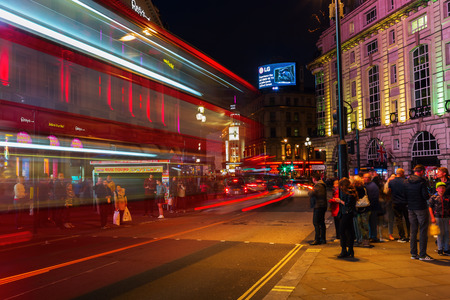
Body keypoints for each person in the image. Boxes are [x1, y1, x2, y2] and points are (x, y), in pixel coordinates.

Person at [404, 165, 433, 261]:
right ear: (421, 171)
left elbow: (404, 194)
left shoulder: (407, 181)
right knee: (423, 230)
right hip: (420, 207)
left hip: (411, 207)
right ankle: (422, 254)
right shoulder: (422, 182)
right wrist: (428, 195)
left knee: (413, 231)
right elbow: (425, 196)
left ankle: (413, 253)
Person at [336, 177, 357, 258]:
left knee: (342, 232)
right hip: (348, 214)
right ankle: (350, 250)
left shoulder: (349, 193)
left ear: (344, 185)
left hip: (347, 214)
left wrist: (340, 201)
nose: (340, 187)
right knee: (349, 232)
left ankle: (344, 250)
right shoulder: (350, 192)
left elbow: (348, 204)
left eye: (341, 185)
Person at [387, 168, 409, 242]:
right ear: (402, 173)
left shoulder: (391, 182)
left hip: (395, 202)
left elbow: (389, 191)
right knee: (407, 218)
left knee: (398, 219)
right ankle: (409, 235)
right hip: (405, 202)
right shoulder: (406, 181)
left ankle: (402, 235)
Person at [428, 182, 450, 256]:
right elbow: (430, 207)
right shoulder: (433, 197)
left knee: (447, 232)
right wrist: (432, 217)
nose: (442, 189)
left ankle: (446, 248)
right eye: (440, 188)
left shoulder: (447, 197)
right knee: (440, 233)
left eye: (443, 188)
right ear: (437, 189)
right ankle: (440, 248)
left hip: (446, 217)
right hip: (438, 217)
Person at [309, 174, 328, 245]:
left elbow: (312, 193)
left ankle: (317, 239)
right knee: (321, 223)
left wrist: (310, 191)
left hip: (319, 206)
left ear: (314, 179)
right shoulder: (321, 185)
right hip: (322, 206)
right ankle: (322, 239)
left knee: (316, 223)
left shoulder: (318, 186)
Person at [353, 175, 371, 247]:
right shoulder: (364, 188)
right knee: (364, 225)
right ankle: (365, 240)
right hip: (365, 209)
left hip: (361, 210)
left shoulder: (358, 189)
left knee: (361, 225)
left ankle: (363, 240)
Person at [363, 173, 380, 242]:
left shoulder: (371, 186)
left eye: (366, 177)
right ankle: (372, 236)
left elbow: (373, 198)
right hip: (372, 207)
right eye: (364, 177)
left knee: (372, 223)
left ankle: (373, 236)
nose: (365, 179)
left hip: (371, 207)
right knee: (371, 223)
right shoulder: (371, 185)